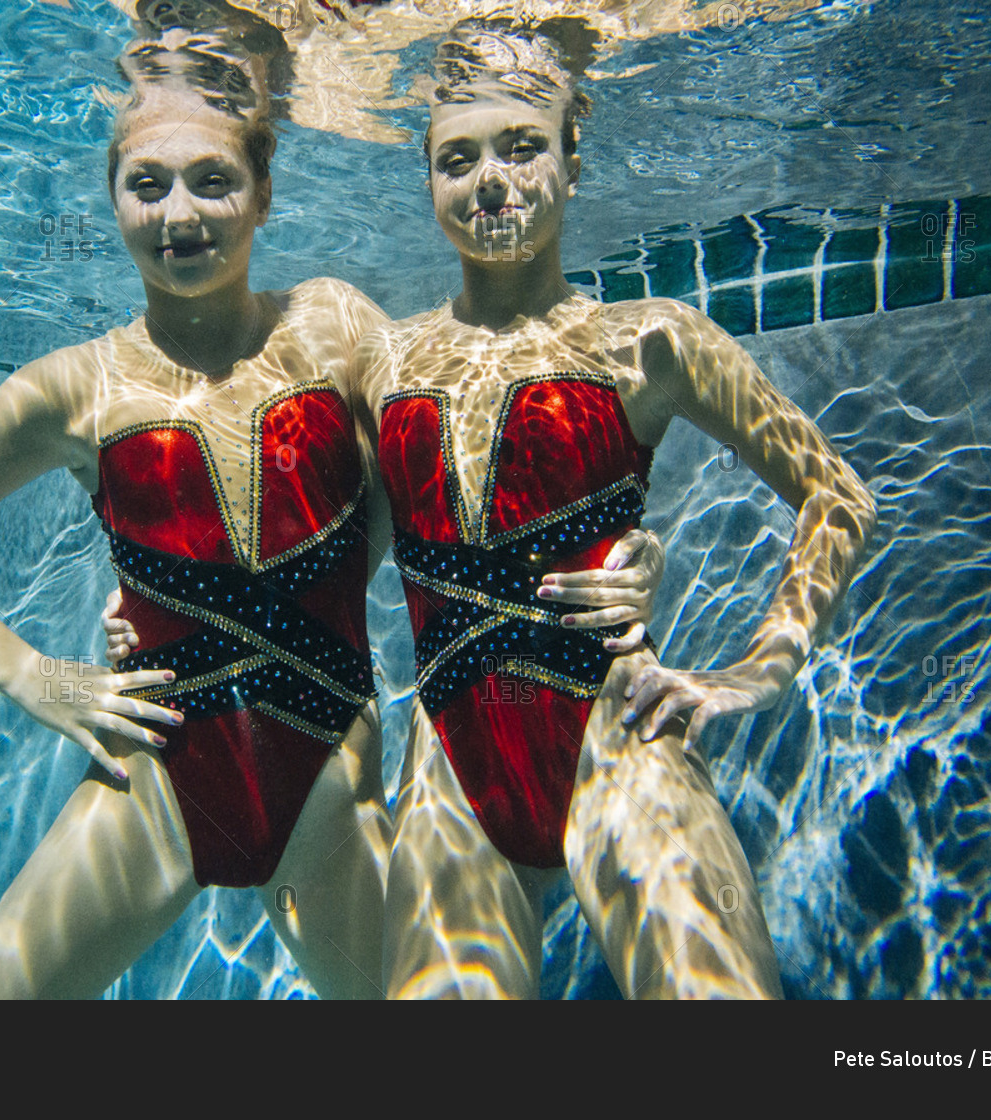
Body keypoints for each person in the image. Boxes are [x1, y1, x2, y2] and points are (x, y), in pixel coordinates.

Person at [0, 27, 411, 995]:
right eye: (147, 185)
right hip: (159, 773)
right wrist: (35, 677)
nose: (179, 214)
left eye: (211, 180)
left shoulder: (334, 325)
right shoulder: (70, 389)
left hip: (329, 778)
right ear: (112, 196)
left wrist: (627, 554)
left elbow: (436, 466)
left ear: (266, 192)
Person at [345, 17, 878, 998]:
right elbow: (341, 559)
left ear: (573, 156)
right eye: (458, 158)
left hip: (618, 740)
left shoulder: (653, 342)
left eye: (521, 147)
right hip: (453, 774)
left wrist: (758, 670)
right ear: (425, 175)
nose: (491, 181)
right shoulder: (383, 362)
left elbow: (836, 494)